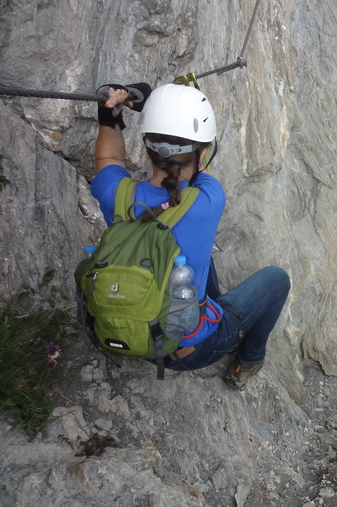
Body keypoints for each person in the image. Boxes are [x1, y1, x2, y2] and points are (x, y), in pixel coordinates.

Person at [91, 83, 290, 389]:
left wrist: (111, 117)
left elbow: (108, 161)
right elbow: (196, 171)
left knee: (184, 252)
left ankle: (208, 309)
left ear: (146, 145)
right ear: (202, 153)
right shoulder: (206, 200)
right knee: (277, 279)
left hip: (134, 330)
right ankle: (249, 359)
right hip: (190, 351)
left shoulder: (114, 193)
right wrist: (156, 110)